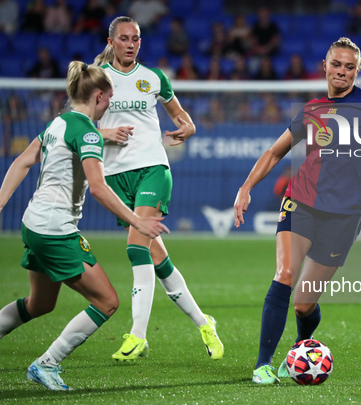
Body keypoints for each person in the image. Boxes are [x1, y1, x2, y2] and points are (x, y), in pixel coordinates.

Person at [234, 37, 361, 384]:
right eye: (336, 64)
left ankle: (297, 351)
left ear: (357, 71)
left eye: (349, 67)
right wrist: (246, 187)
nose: (342, 71)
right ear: (325, 66)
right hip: (301, 203)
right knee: (284, 276)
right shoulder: (310, 109)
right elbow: (274, 152)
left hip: (344, 215)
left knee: (304, 305)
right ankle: (262, 364)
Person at [0, 61, 168, 391]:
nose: (110, 106)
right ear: (100, 96)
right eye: (109, 100)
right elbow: (99, 187)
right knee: (107, 302)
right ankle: (46, 364)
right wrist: (138, 220)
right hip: (56, 230)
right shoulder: (87, 131)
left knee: (40, 304)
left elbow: (22, 160)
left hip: (33, 224)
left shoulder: (57, 123)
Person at [93, 16, 223, 362]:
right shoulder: (97, 79)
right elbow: (80, 123)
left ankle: (137, 335)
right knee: (157, 257)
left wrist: (188, 128)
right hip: (117, 175)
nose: (131, 44)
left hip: (153, 168)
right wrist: (105, 134)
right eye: (124, 38)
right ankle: (203, 321)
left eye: (136, 38)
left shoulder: (153, 78)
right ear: (111, 41)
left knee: (137, 247)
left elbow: (182, 117)